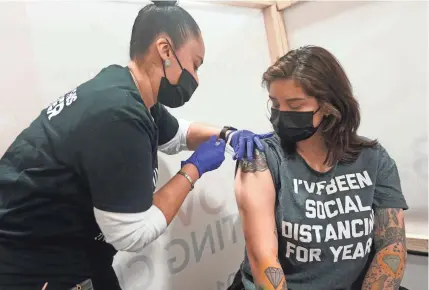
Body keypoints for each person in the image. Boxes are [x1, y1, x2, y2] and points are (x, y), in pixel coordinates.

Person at [0, 2, 270, 290]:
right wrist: (194, 168)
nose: (196, 78)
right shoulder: (118, 114)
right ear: (166, 50)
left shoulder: (129, 90)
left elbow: (178, 133)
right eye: (195, 64)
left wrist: (228, 133)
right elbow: (132, 234)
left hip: (72, 248)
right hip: (32, 262)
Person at [229, 46, 408, 290]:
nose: (281, 114)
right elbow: (264, 260)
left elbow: (391, 247)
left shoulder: (374, 159)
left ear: (327, 105)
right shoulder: (261, 158)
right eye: (275, 103)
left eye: (295, 105)